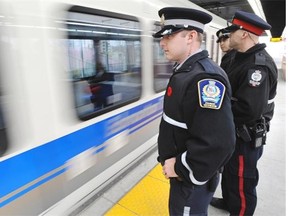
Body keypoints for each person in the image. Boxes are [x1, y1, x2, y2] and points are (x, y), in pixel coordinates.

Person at [153, 7, 236, 216]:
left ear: (190, 37)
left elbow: (218, 142)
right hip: (183, 177)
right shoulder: (187, 70)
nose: (162, 43)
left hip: (190, 181)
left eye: (169, 36)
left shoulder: (204, 80)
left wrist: (181, 168)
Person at [210, 11, 278, 216]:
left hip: (245, 134)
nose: (229, 36)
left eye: (233, 31)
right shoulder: (236, 57)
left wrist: (214, 111)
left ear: (245, 34)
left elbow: (248, 109)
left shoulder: (258, 66)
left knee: (242, 177)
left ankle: (241, 211)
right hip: (233, 131)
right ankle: (230, 202)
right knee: (231, 173)